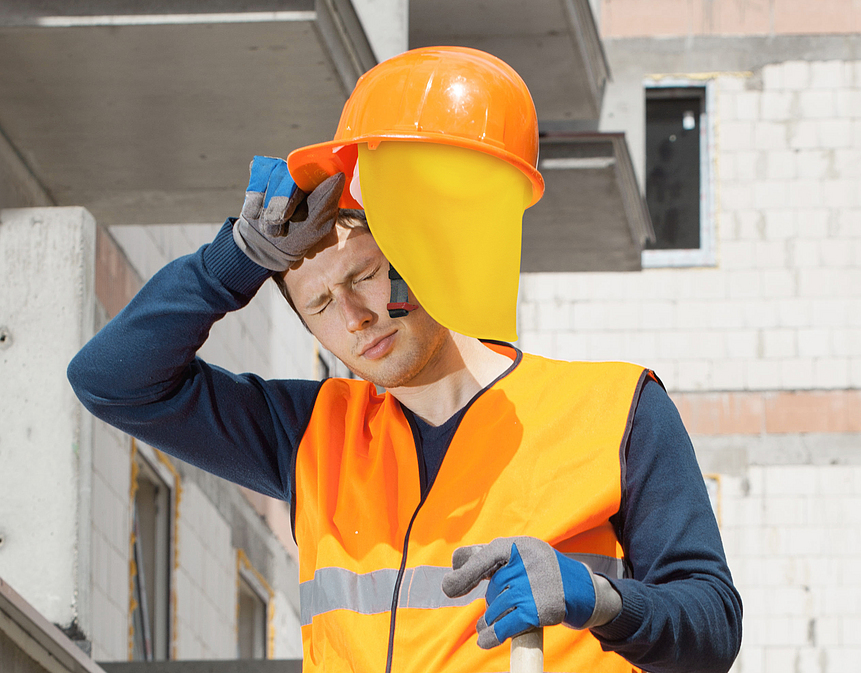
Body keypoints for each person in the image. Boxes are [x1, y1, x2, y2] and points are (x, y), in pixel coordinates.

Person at [68, 47, 741, 673]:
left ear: (422, 253)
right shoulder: (310, 436)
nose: (354, 317)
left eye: (363, 277)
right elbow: (111, 380)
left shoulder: (614, 413)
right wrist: (233, 264)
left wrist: (603, 600)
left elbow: (713, 627)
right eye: (320, 304)